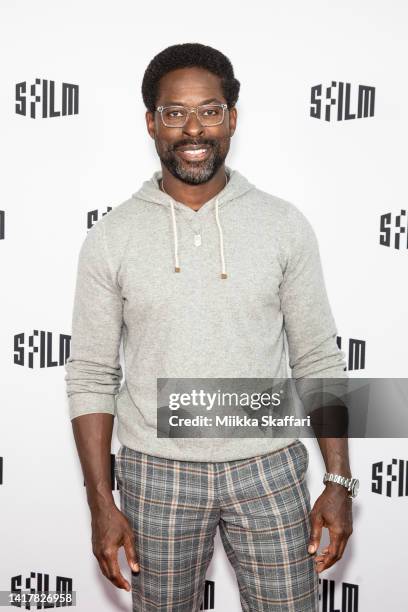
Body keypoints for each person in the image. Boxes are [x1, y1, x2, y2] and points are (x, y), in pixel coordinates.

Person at [65, 42, 355, 611]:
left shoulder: (283, 225)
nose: (193, 128)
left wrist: (339, 481)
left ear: (232, 119)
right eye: (174, 112)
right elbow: (92, 374)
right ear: (151, 121)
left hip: (269, 464)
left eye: (210, 110)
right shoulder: (112, 238)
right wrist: (102, 500)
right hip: (156, 473)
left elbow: (317, 357)